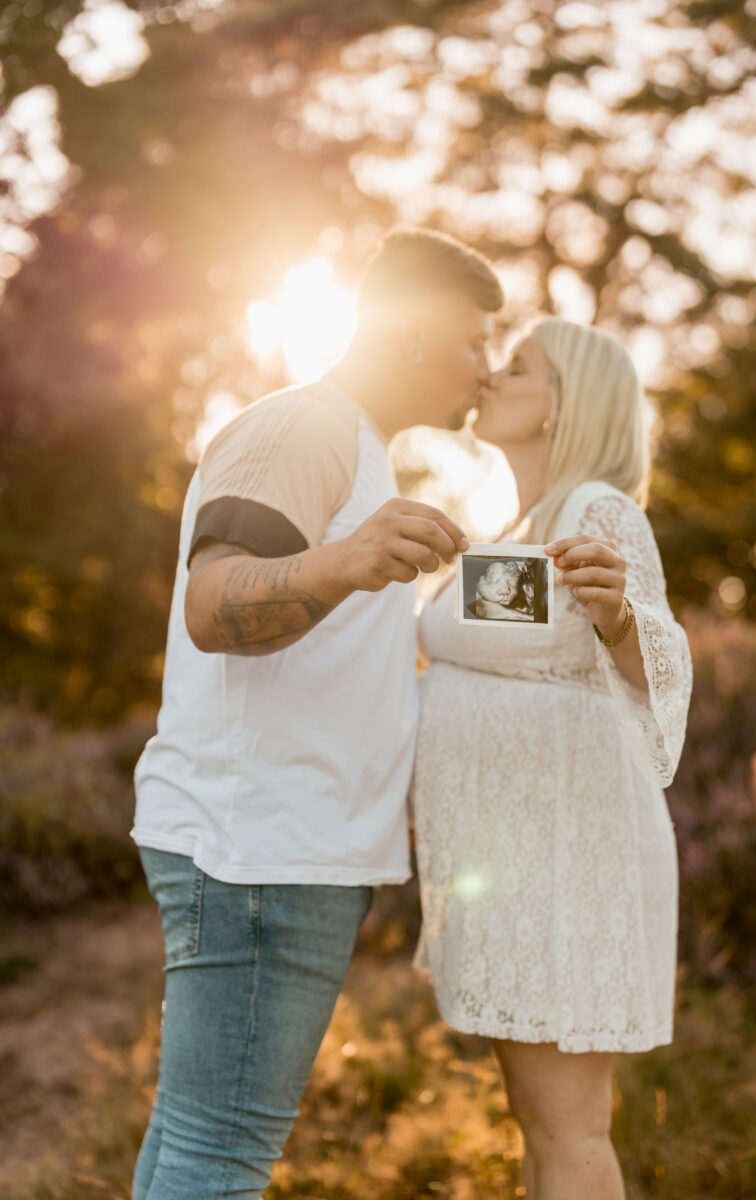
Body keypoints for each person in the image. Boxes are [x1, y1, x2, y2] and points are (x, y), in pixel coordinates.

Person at [129, 227, 503, 1200]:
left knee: (198, 1139)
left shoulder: (358, 448)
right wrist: (346, 560)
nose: (486, 365)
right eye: (474, 340)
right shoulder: (304, 428)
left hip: (280, 846)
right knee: (220, 1156)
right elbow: (214, 605)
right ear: (414, 331)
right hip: (260, 850)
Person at [411, 317, 692, 1200]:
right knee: (540, 1122)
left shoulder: (596, 509)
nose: (492, 374)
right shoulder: (522, 526)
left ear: (561, 405)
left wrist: (620, 620)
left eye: (519, 367)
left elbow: (662, 660)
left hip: (569, 862)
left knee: (568, 1128)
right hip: (517, 865)